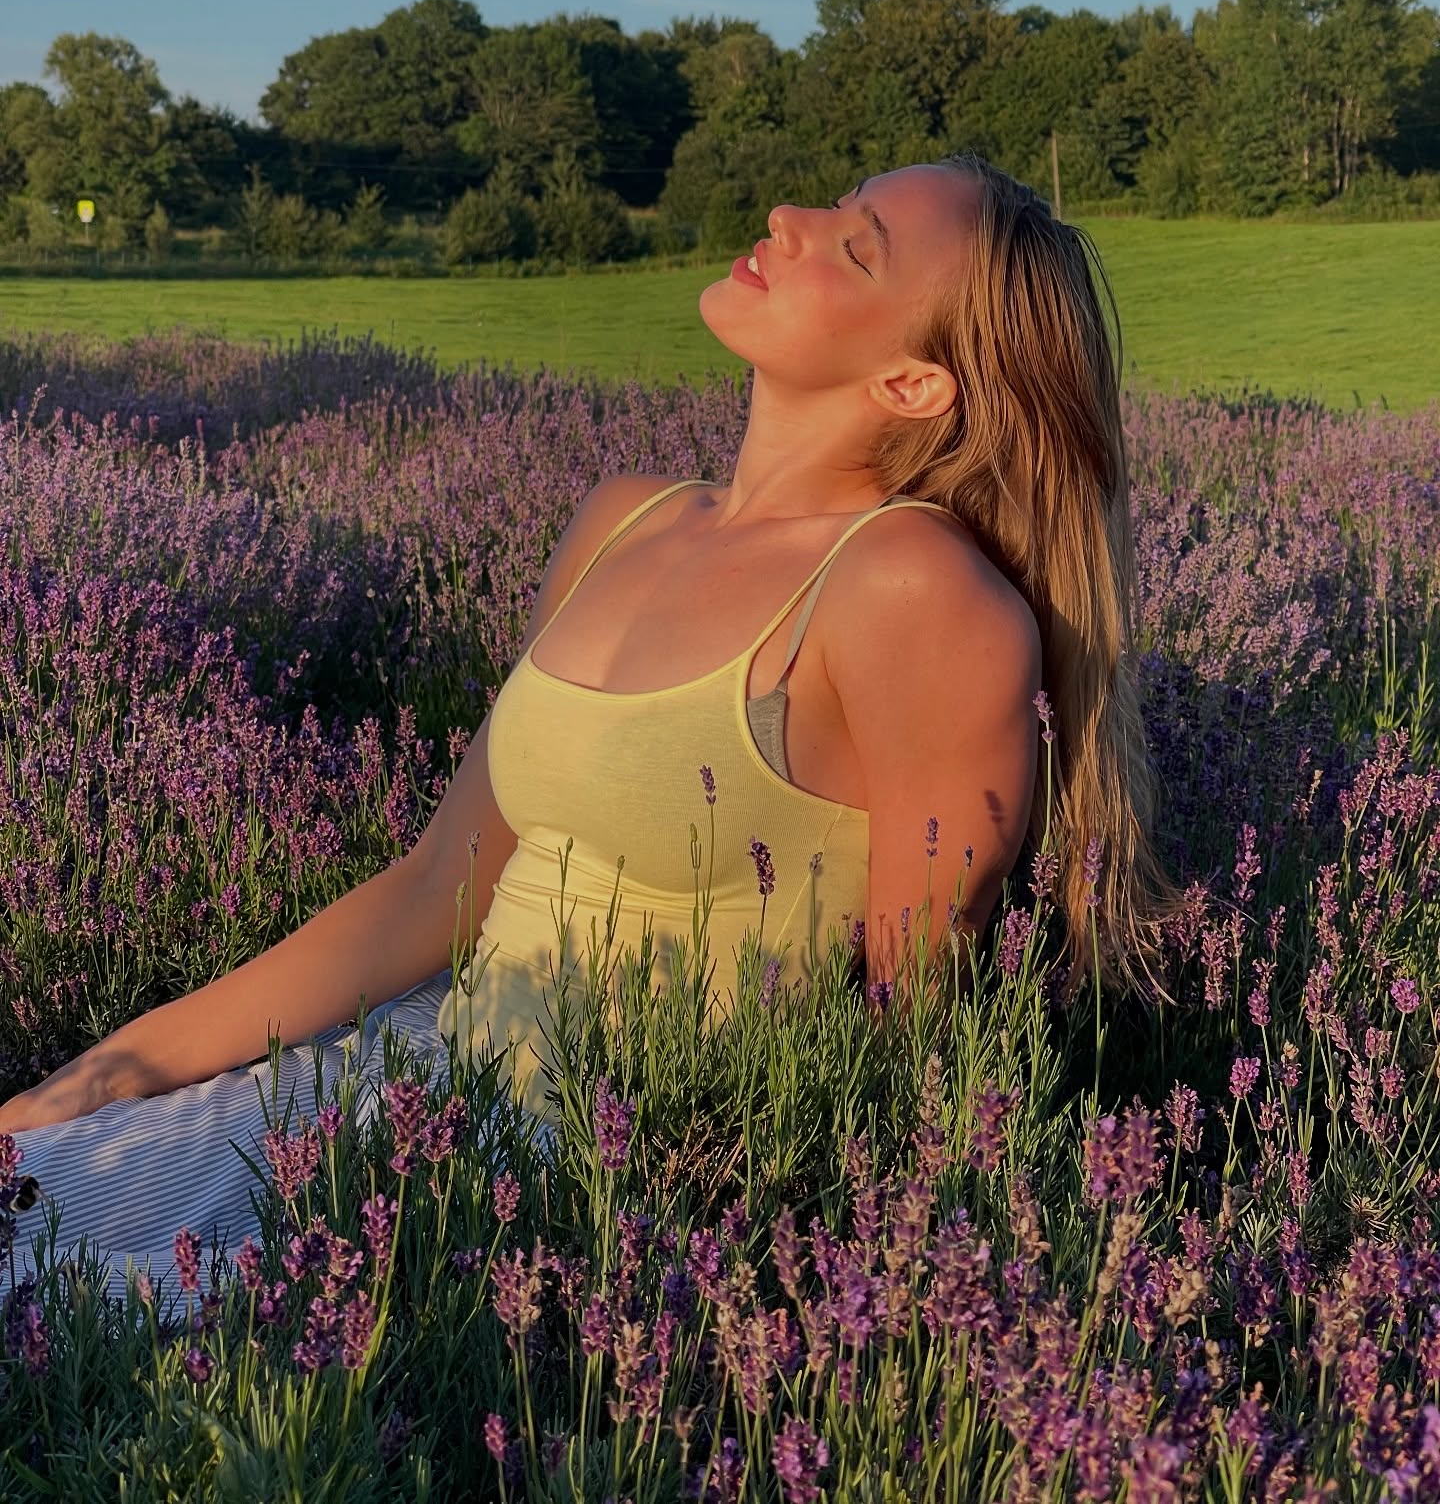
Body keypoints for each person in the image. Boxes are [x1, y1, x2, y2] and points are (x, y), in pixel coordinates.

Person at [0, 152, 1183, 1298]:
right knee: (26, 1165)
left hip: (572, 1182)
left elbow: (907, 1015)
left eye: (855, 247)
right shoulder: (626, 520)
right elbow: (435, 890)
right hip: (416, 1067)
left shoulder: (909, 590)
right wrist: (109, 1075)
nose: (789, 217)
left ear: (912, 385)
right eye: (835, 203)